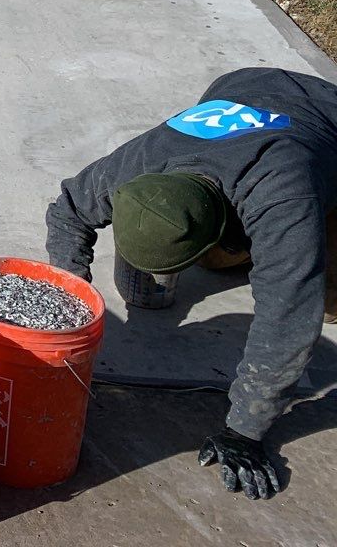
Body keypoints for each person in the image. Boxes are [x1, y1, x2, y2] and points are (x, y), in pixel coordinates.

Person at [45, 67, 337, 500]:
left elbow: (289, 318)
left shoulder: (284, 196)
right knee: (174, 246)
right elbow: (68, 210)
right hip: (244, 86)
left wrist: (245, 429)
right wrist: (70, 304)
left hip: (326, 123)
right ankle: (219, 244)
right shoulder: (141, 161)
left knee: (326, 300)